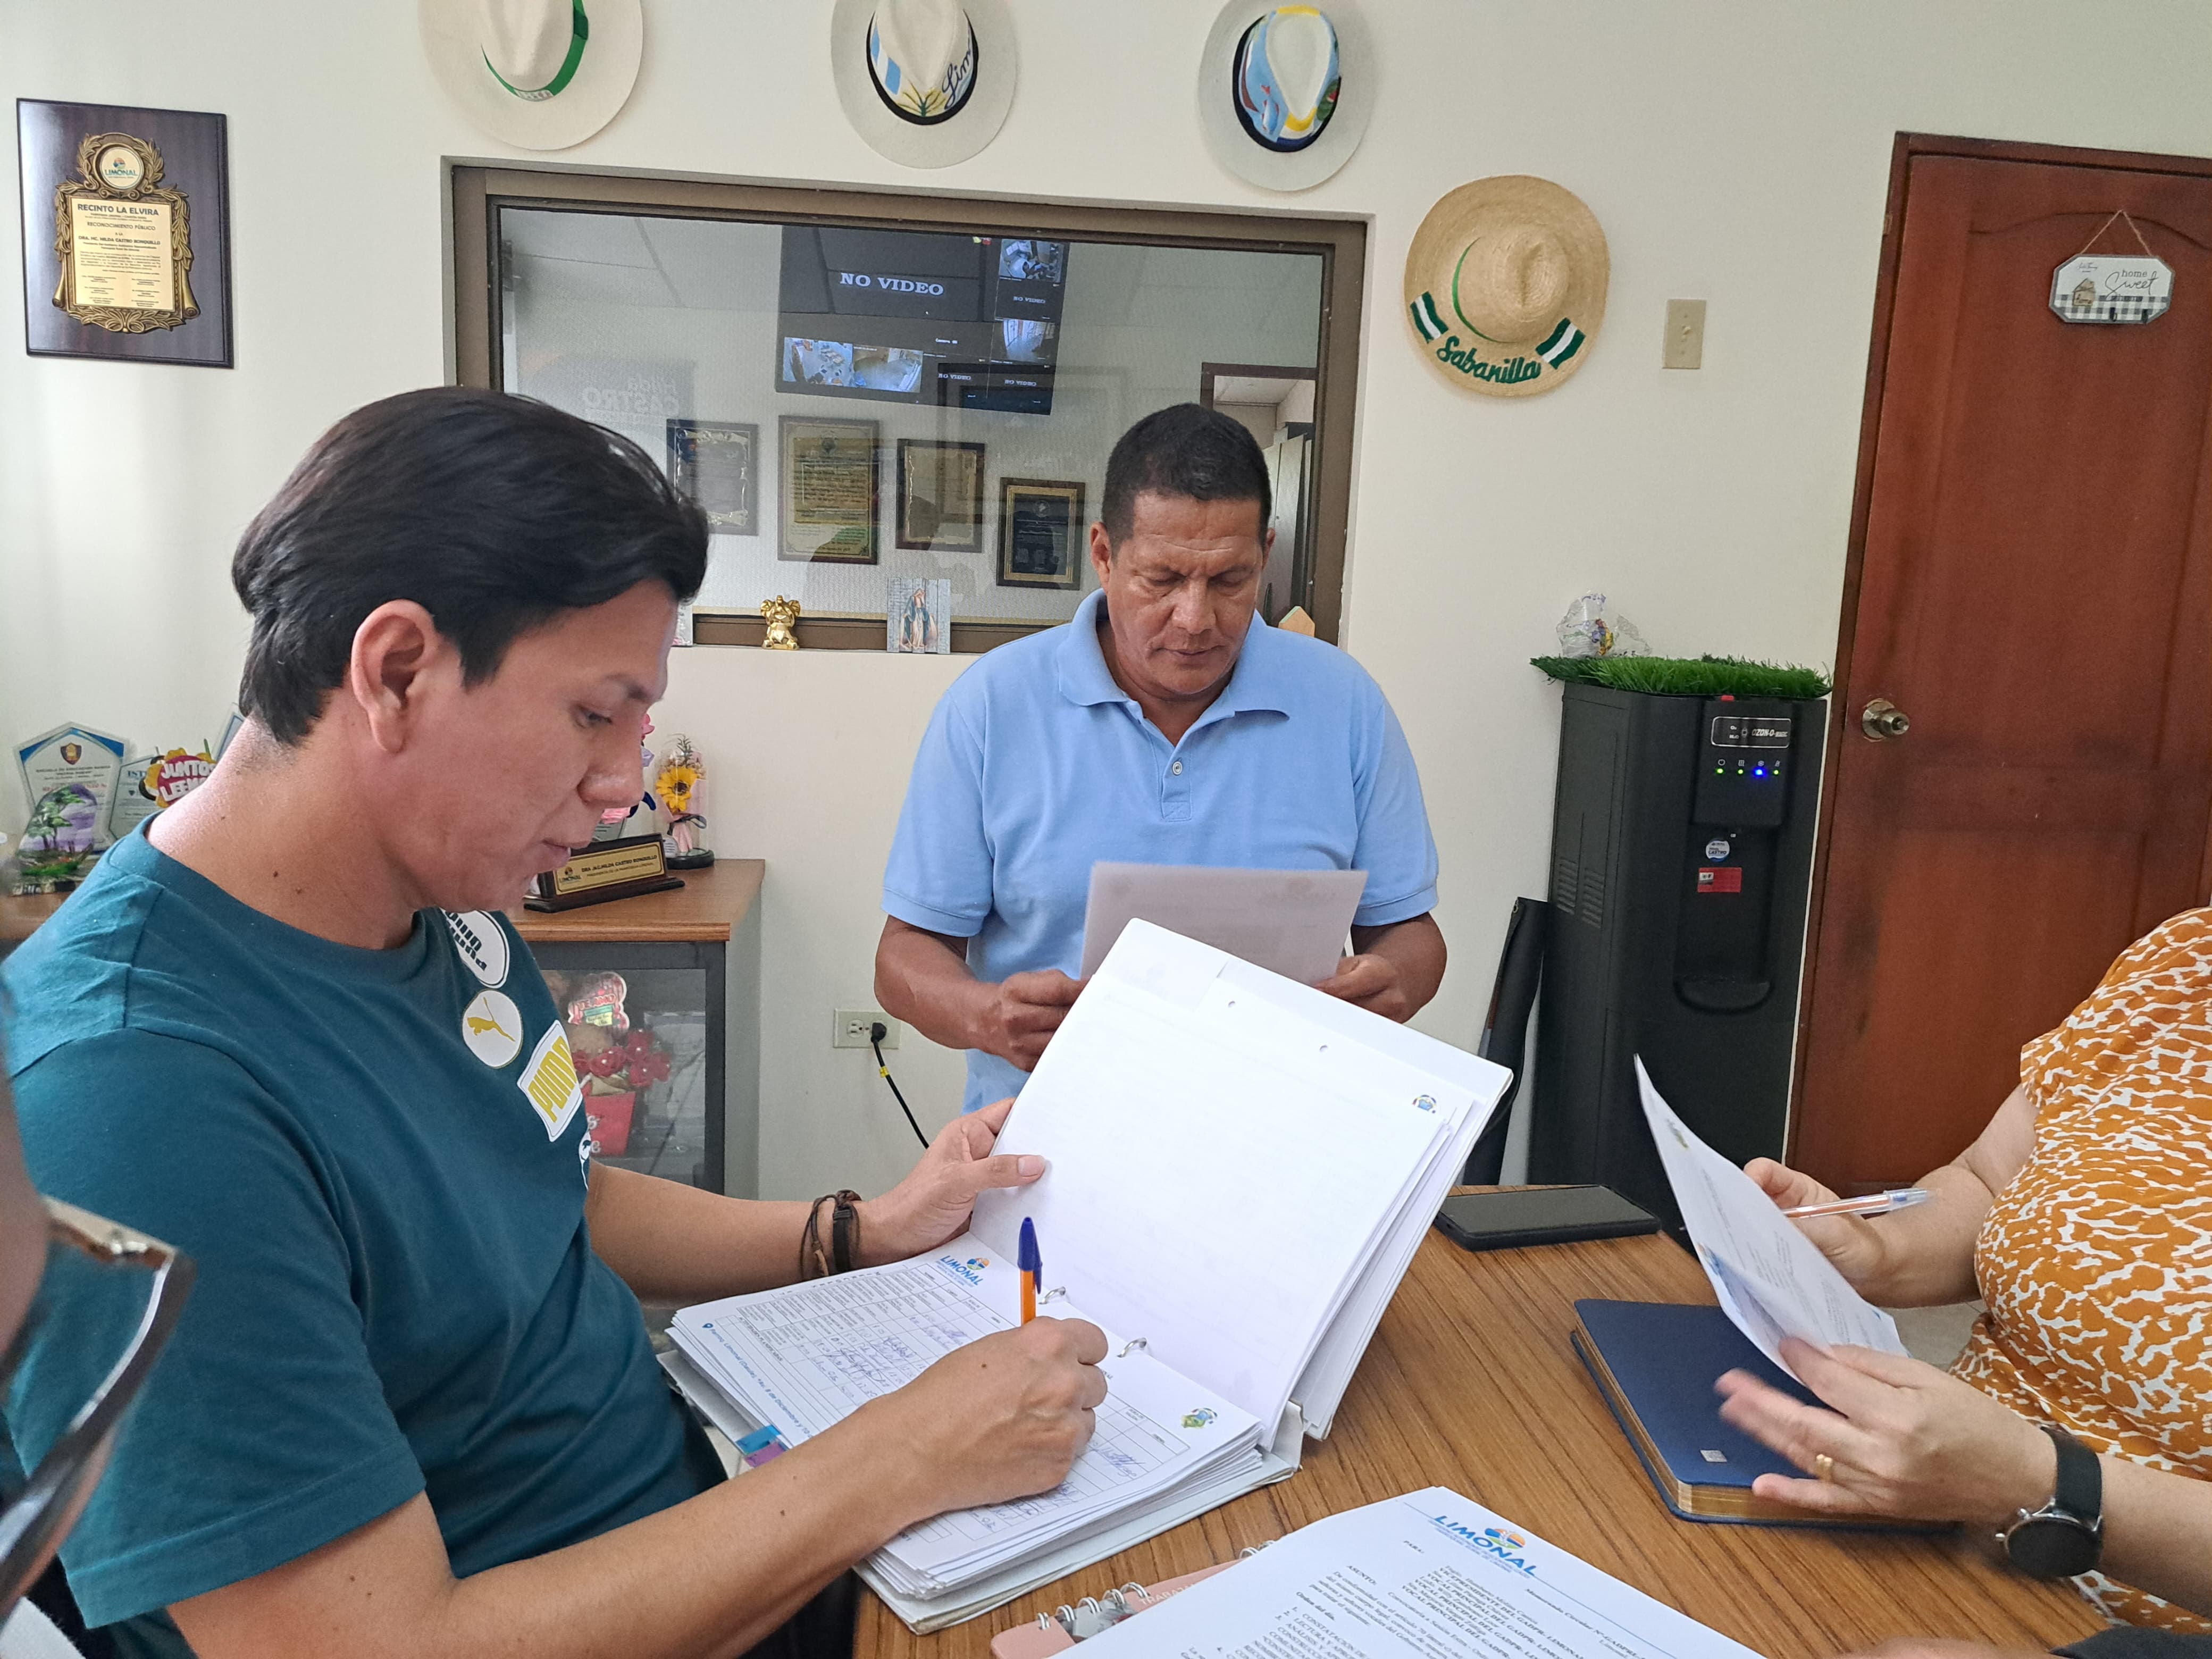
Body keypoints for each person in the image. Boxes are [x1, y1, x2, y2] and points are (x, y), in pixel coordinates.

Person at [0, 388, 1108, 1659]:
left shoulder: (442, 909)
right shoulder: (141, 1090)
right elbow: (374, 1649)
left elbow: (544, 1193)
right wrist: (898, 1458)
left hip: (694, 1529)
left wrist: (859, 1230)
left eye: (639, 723)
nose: (626, 783)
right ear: (398, 671)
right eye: (594, 713)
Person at [875, 403, 1446, 1113]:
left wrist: (1392, 981)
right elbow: (904, 956)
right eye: (1163, 579)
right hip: (1050, 1126)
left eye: (1230, 580)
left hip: (1284, 1122)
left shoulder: (1343, 703)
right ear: (1104, 555)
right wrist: (987, 1016)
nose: (1195, 619)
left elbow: (1410, 932)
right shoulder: (993, 706)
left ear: (1266, 554)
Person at [1714, 908, 2212, 1631]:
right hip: (1918, 1512)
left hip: (2121, 1623)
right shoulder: (2184, 961)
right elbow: (1988, 1180)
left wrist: (2037, 1483)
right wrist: (1879, 1251)